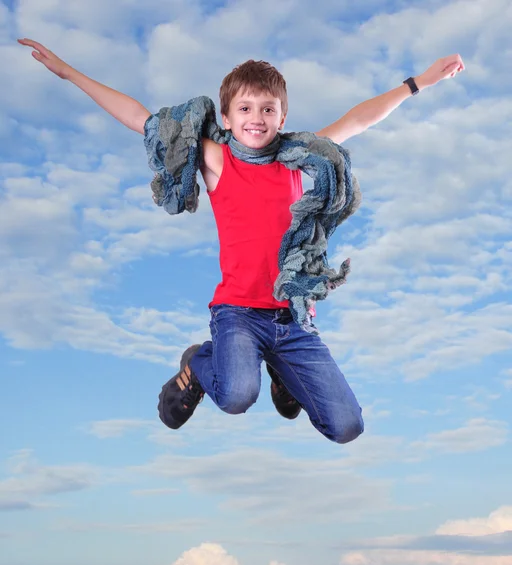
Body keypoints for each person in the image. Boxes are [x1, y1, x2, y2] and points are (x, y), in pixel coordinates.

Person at [18, 38, 464, 443]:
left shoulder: (298, 159)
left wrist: (418, 82)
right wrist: (69, 73)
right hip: (238, 314)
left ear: (282, 117)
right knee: (234, 396)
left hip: (292, 318)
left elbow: (359, 120)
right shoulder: (217, 160)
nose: (257, 118)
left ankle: (282, 374)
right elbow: (140, 119)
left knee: (347, 427)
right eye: (246, 109)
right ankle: (197, 362)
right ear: (227, 118)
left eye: (268, 109)